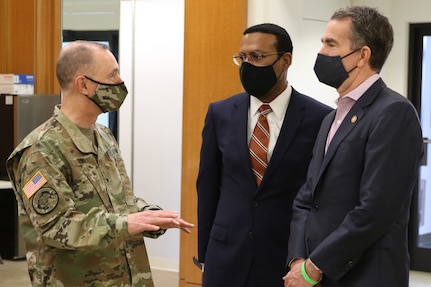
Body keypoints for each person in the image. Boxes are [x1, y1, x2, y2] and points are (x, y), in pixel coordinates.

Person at [6, 40, 194, 287]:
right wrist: (126, 223)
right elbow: (56, 226)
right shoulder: (41, 150)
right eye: (113, 74)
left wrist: (147, 214)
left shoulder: (103, 135)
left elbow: (117, 201)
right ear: (83, 84)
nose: (119, 82)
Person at [283, 6, 423, 287]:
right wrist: (298, 259)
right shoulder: (331, 117)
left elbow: (375, 210)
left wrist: (314, 267)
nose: (321, 50)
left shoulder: (394, 112)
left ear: (362, 56)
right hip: (317, 274)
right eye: (323, 41)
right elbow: (307, 198)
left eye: (331, 43)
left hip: (366, 275)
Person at [197, 23, 332, 287]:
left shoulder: (320, 118)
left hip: (285, 257)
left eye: (257, 57)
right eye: (243, 58)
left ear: (285, 60)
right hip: (225, 255)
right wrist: (205, 254)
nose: (248, 65)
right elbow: (208, 186)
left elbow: (321, 196)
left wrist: (312, 260)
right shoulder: (220, 113)